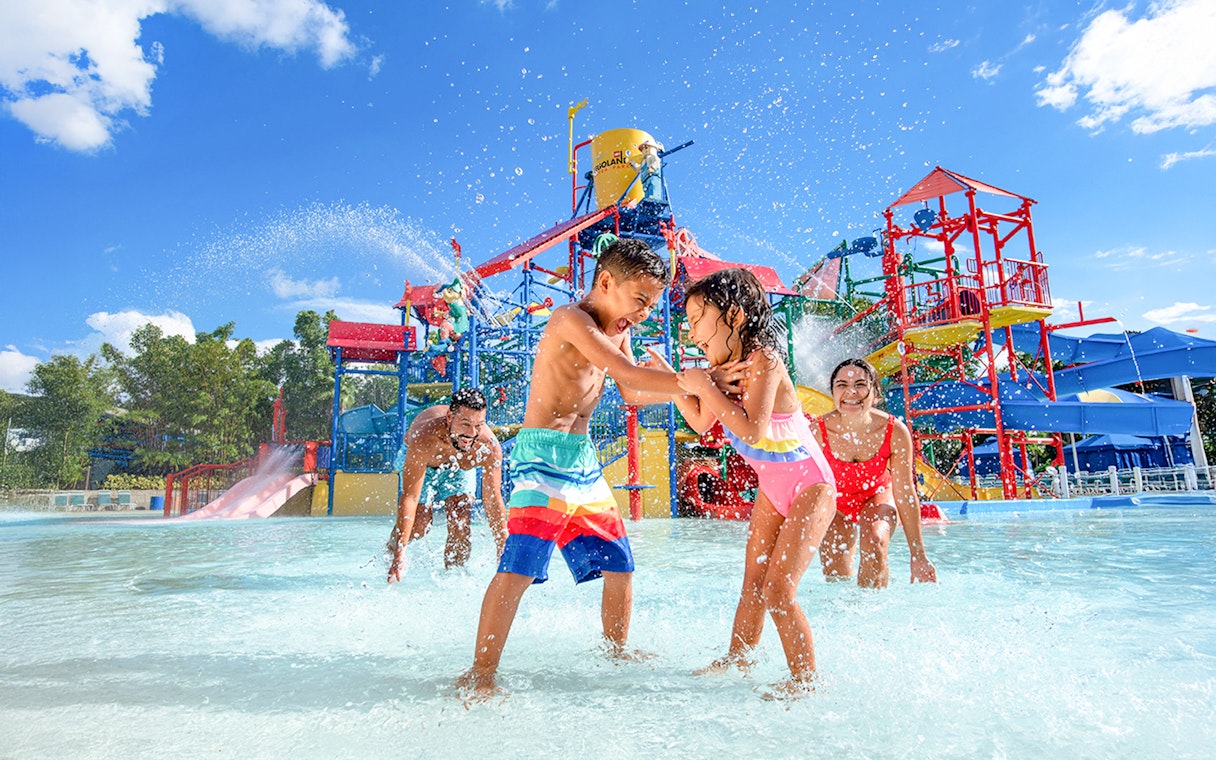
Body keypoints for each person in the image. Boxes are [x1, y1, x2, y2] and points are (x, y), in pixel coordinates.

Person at [454, 237, 688, 700]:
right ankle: (480, 673)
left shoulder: (620, 330)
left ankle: (616, 650)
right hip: (542, 457)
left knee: (620, 565)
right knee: (519, 567)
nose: (643, 312)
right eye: (639, 300)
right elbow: (628, 373)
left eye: (651, 304)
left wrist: (685, 392)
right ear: (605, 281)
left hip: (582, 461)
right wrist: (696, 381)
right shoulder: (569, 319)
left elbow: (634, 394)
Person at [662, 267, 838, 698]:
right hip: (774, 490)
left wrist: (704, 385)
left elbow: (753, 429)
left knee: (779, 589)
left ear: (736, 315)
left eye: (698, 317)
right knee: (753, 585)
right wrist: (676, 384)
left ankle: (805, 680)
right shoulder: (722, 368)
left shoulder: (763, 360)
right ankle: (738, 657)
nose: (691, 330)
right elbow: (704, 422)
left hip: (811, 487)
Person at [810, 358, 937, 588]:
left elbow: (905, 493)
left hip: (876, 495)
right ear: (833, 392)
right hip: (835, 503)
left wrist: (918, 555)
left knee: (875, 541)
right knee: (835, 571)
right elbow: (801, 488)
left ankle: (874, 612)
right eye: (841, 385)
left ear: (875, 394)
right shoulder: (817, 432)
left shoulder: (894, 431)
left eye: (860, 384)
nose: (851, 392)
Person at [386, 388, 506, 582]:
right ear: (450, 417)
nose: (471, 433)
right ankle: (391, 549)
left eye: (478, 425)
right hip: (423, 462)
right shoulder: (425, 436)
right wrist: (400, 554)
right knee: (420, 524)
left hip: (458, 468)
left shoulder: (488, 447)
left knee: (461, 519)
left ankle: (454, 576)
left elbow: (493, 500)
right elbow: (410, 497)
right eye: (465, 424)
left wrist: (503, 547)